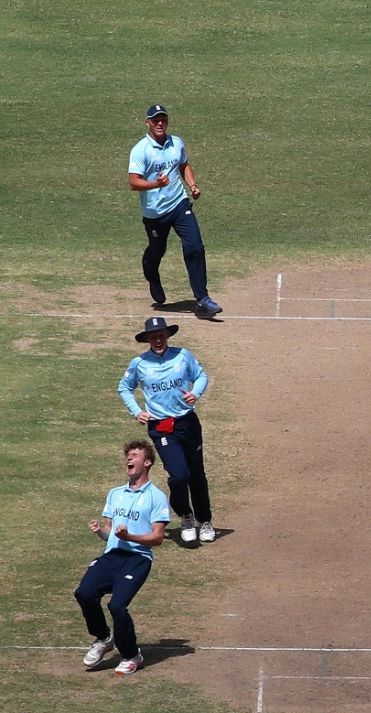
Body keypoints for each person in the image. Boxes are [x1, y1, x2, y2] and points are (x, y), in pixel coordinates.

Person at [118, 316, 216, 545]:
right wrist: (137, 411)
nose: (158, 340)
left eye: (161, 335)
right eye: (153, 337)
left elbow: (200, 376)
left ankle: (205, 520)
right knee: (179, 475)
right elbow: (124, 387)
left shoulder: (183, 356)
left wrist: (196, 393)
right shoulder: (139, 363)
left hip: (187, 423)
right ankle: (186, 515)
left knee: (196, 473)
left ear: (168, 335)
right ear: (147, 339)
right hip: (161, 427)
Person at [76, 440, 170, 675]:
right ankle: (103, 637)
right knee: (84, 593)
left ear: (147, 462)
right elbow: (110, 532)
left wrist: (130, 536)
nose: (129, 458)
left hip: (138, 559)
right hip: (112, 556)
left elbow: (158, 537)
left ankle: (131, 655)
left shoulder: (156, 497)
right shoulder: (115, 494)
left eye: (135, 455)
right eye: (128, 455)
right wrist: (100, 531)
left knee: (117, 605)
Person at [128, 104, 223, 317]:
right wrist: (156, 184)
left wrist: (193, 185)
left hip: (179, 203)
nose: (160, 123)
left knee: (195, 246)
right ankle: (151, 273)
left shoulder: (176, 143)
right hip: (155, 213)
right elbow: (133, 182)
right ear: (148, 123)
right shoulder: (140, 150)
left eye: (163, 119)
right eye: (155, 120)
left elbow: (184, 165)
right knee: (157, 251)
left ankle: (203, 299)